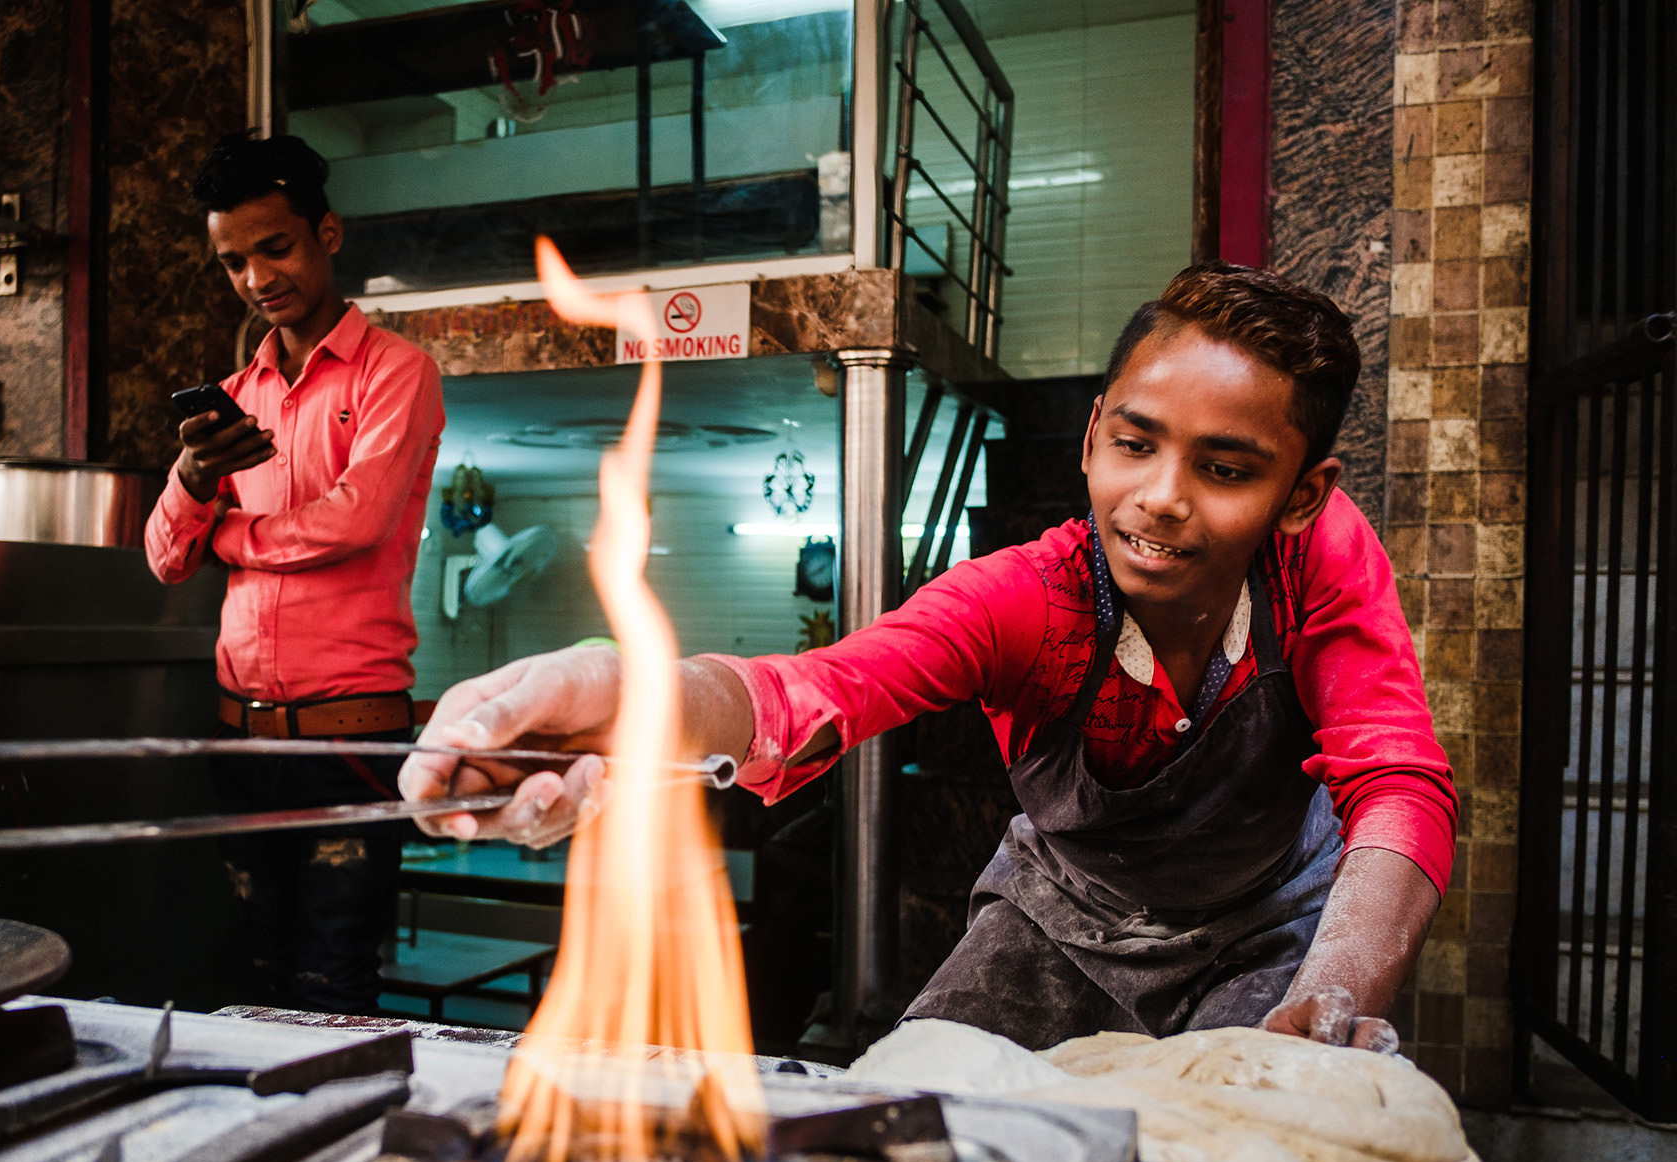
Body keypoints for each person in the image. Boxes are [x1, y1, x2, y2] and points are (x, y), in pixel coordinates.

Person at [399, 263, 1456, 1053]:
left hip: (1274, 919)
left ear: (1299, 495)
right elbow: (816, 689)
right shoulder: (1024, 599)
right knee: (931, 1122)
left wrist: (1333, 989)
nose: (1161, 495)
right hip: (1061, 915)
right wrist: (617, 693)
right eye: (1134, 443)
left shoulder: (1318, 555)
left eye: (1223, 467)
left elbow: (1397, 776)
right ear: (1090, 436)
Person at [145, 132, 444, 1015]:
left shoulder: (397, 372)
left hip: (348, 740)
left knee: (335, 980)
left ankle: (343, 1150)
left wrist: (227, 535)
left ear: (328, 234)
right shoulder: (235, 396)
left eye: (275, 248)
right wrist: (195, 479)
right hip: (241, 737)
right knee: (256, 977)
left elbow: (358, 518)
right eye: (234, 262)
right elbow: (165, 557)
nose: (256, 278)